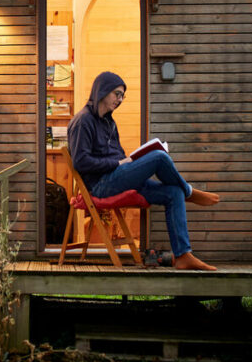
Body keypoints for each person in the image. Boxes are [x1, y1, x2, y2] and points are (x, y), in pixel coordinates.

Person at [66, 71, 221, 271]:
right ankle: (189, 192)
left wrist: (129, 162)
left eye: (122, 96)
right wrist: (119, 164)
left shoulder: (109, 123)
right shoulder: (83, 121)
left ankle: (183, 255)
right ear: (102, 91)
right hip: (101, 185)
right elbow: (81, 162)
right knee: (159, 157)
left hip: (116, 178)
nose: (120, 100)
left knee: (173, 193)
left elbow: (117, 156)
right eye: (117, 94)